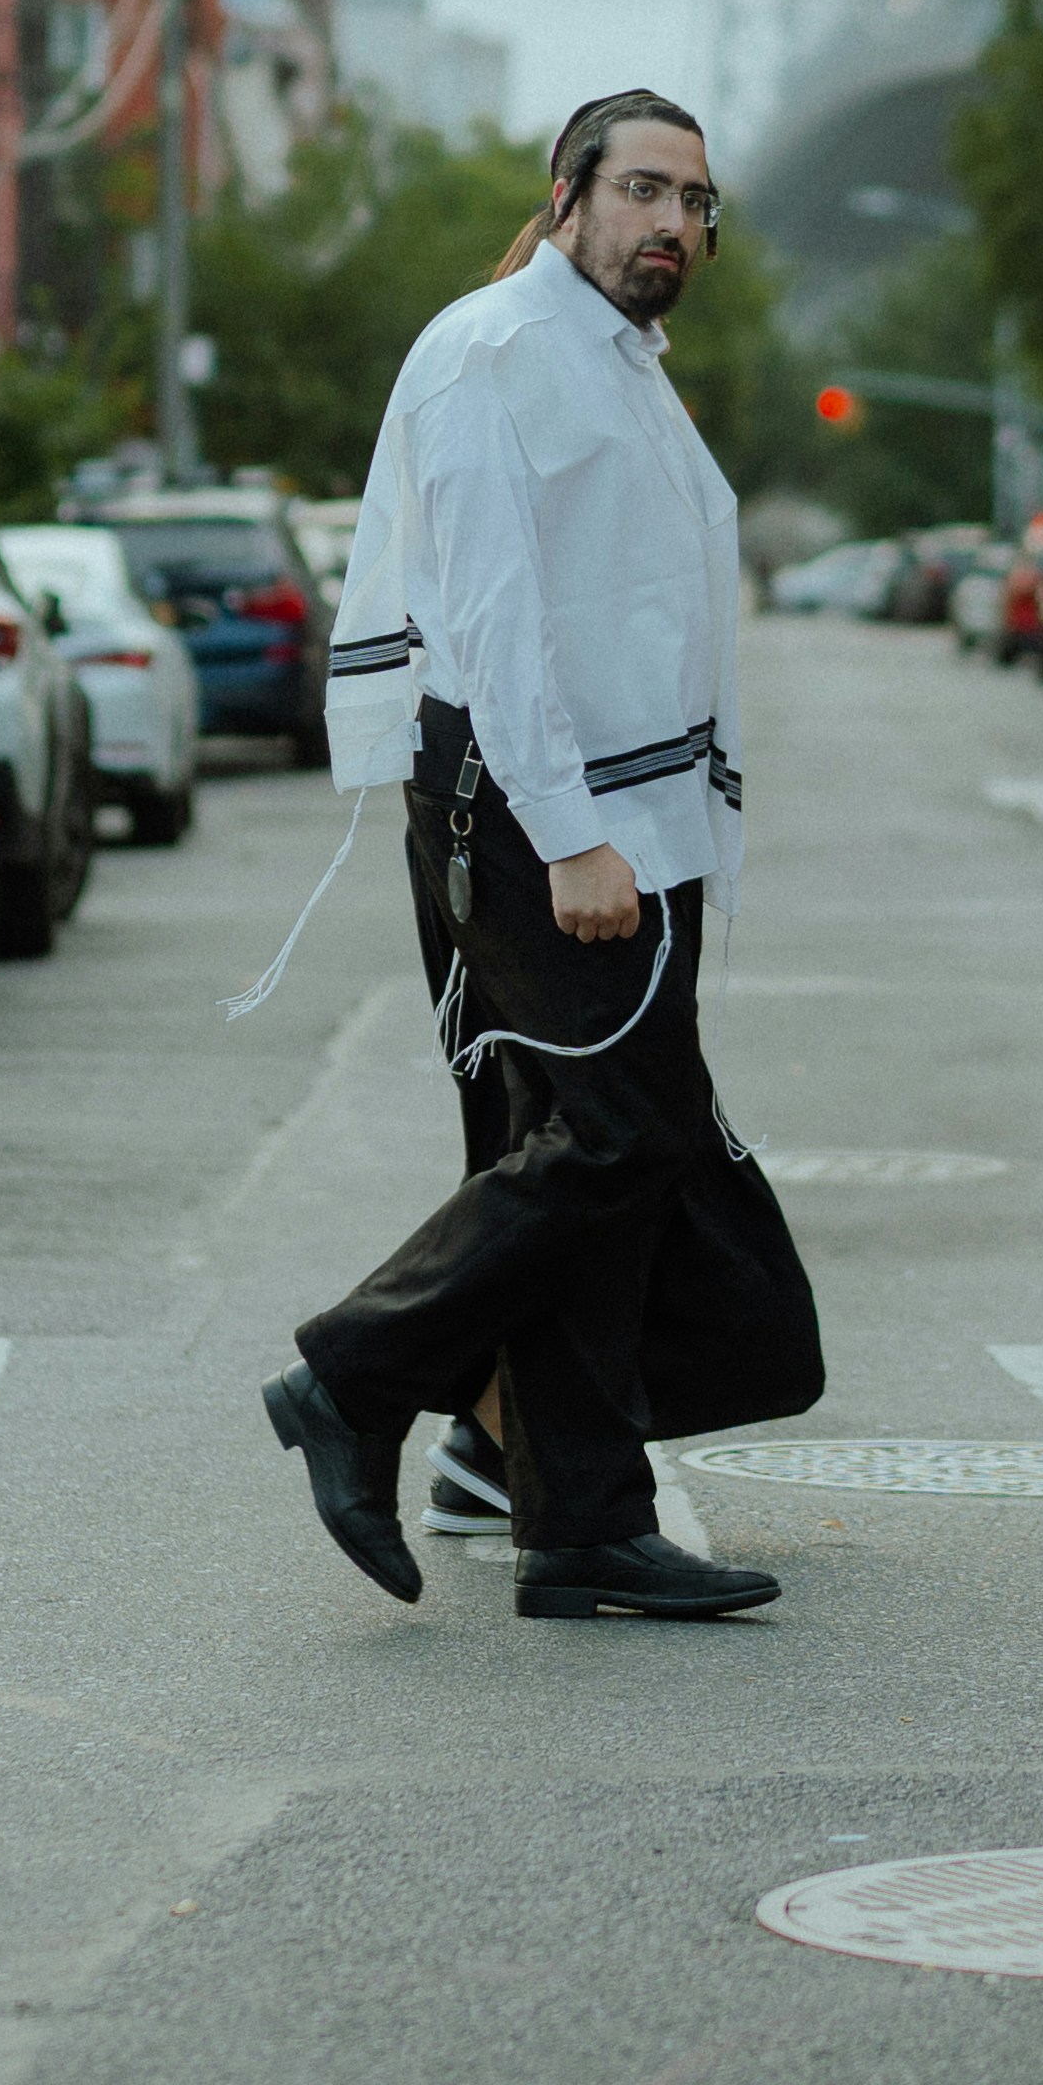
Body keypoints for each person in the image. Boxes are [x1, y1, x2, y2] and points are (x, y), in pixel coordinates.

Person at [264, 88, 810, 1621]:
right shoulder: (494, 352)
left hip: (629, 817)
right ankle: (350, 1373)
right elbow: (494, 621)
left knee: (610, 1156)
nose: (672, 226)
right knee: (614, 1138)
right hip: (536, 809)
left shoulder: (618, 360)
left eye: (696, 202)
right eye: (643, 190)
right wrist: (571, 838)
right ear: (565, 194)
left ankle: (578, 1519)